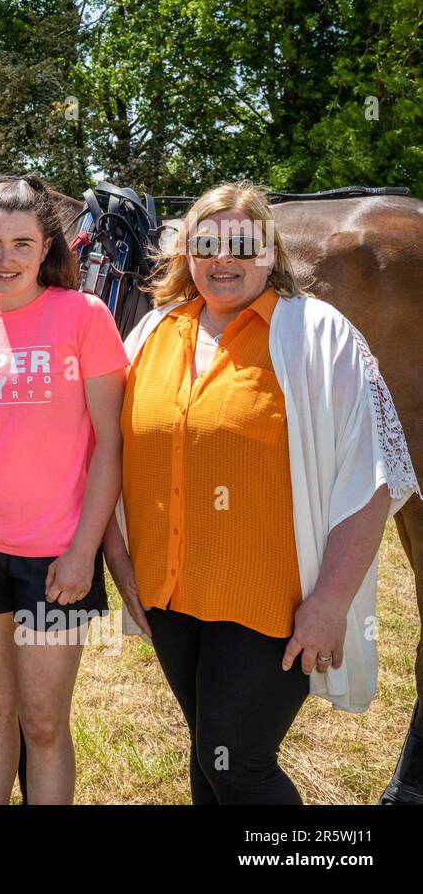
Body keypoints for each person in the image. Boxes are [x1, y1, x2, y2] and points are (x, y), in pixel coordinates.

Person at [104, 181, 419, 804]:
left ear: (271, 253)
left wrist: (329, 602)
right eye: (206, 244)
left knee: (238, 762)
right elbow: (110, 460)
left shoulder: (319, 336)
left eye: (242, 245)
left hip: (272, 600)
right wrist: (120, 562)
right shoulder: (152, 336)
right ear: (185, 253)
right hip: (171, 594)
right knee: (209, 755)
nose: (224, 260)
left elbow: (374, 476)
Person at [0, 176, 126, 805]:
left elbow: (109, 445)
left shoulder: (84, 316)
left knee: (42, 723)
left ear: (46, 247)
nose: (6, 258)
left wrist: (81, 551)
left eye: (22, 243)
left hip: (54, 556)